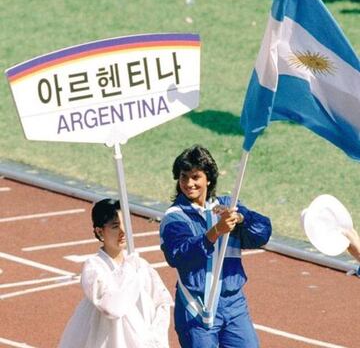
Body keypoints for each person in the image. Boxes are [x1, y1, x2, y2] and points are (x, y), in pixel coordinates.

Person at [159, 145, 272, 348]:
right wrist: (215, 231)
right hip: (196, 305)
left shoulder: (228, 205)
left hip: (233, 303)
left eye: (195, 177)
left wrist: (241, 219)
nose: (188, 183)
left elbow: (262, 233)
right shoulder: (175, 217)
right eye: (184, 177)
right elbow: (179, 255)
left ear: (208, 178)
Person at [58, 198, 173, 348]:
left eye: (126, 224)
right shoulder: (94, 268)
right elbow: (113, 307)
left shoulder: (141, 266)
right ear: (100, 232)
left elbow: (162, 302)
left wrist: (155, 336)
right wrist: (129, 269)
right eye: (115, 226)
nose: (123, 231)